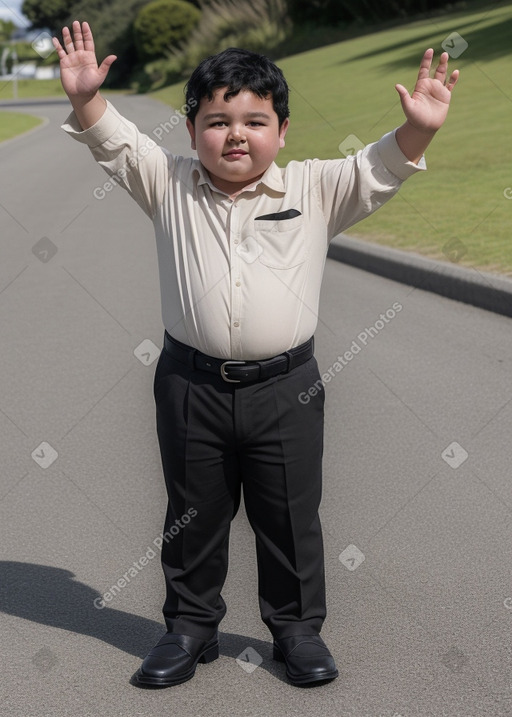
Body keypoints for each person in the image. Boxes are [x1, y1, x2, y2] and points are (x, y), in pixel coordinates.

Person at [53, 20, 459, 688]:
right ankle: (189, 627)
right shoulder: (168, 183)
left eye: (253, 120)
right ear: (190, 132)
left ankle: (297, 632)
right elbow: (115, 143)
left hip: (286, 389)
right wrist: (86, 99)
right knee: (192, 514)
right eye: (216, 120)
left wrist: (421, 128)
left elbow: (378, 169)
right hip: (192, 386)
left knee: (290, 514)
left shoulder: (314, 189)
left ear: (282, 129)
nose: (235, 134)